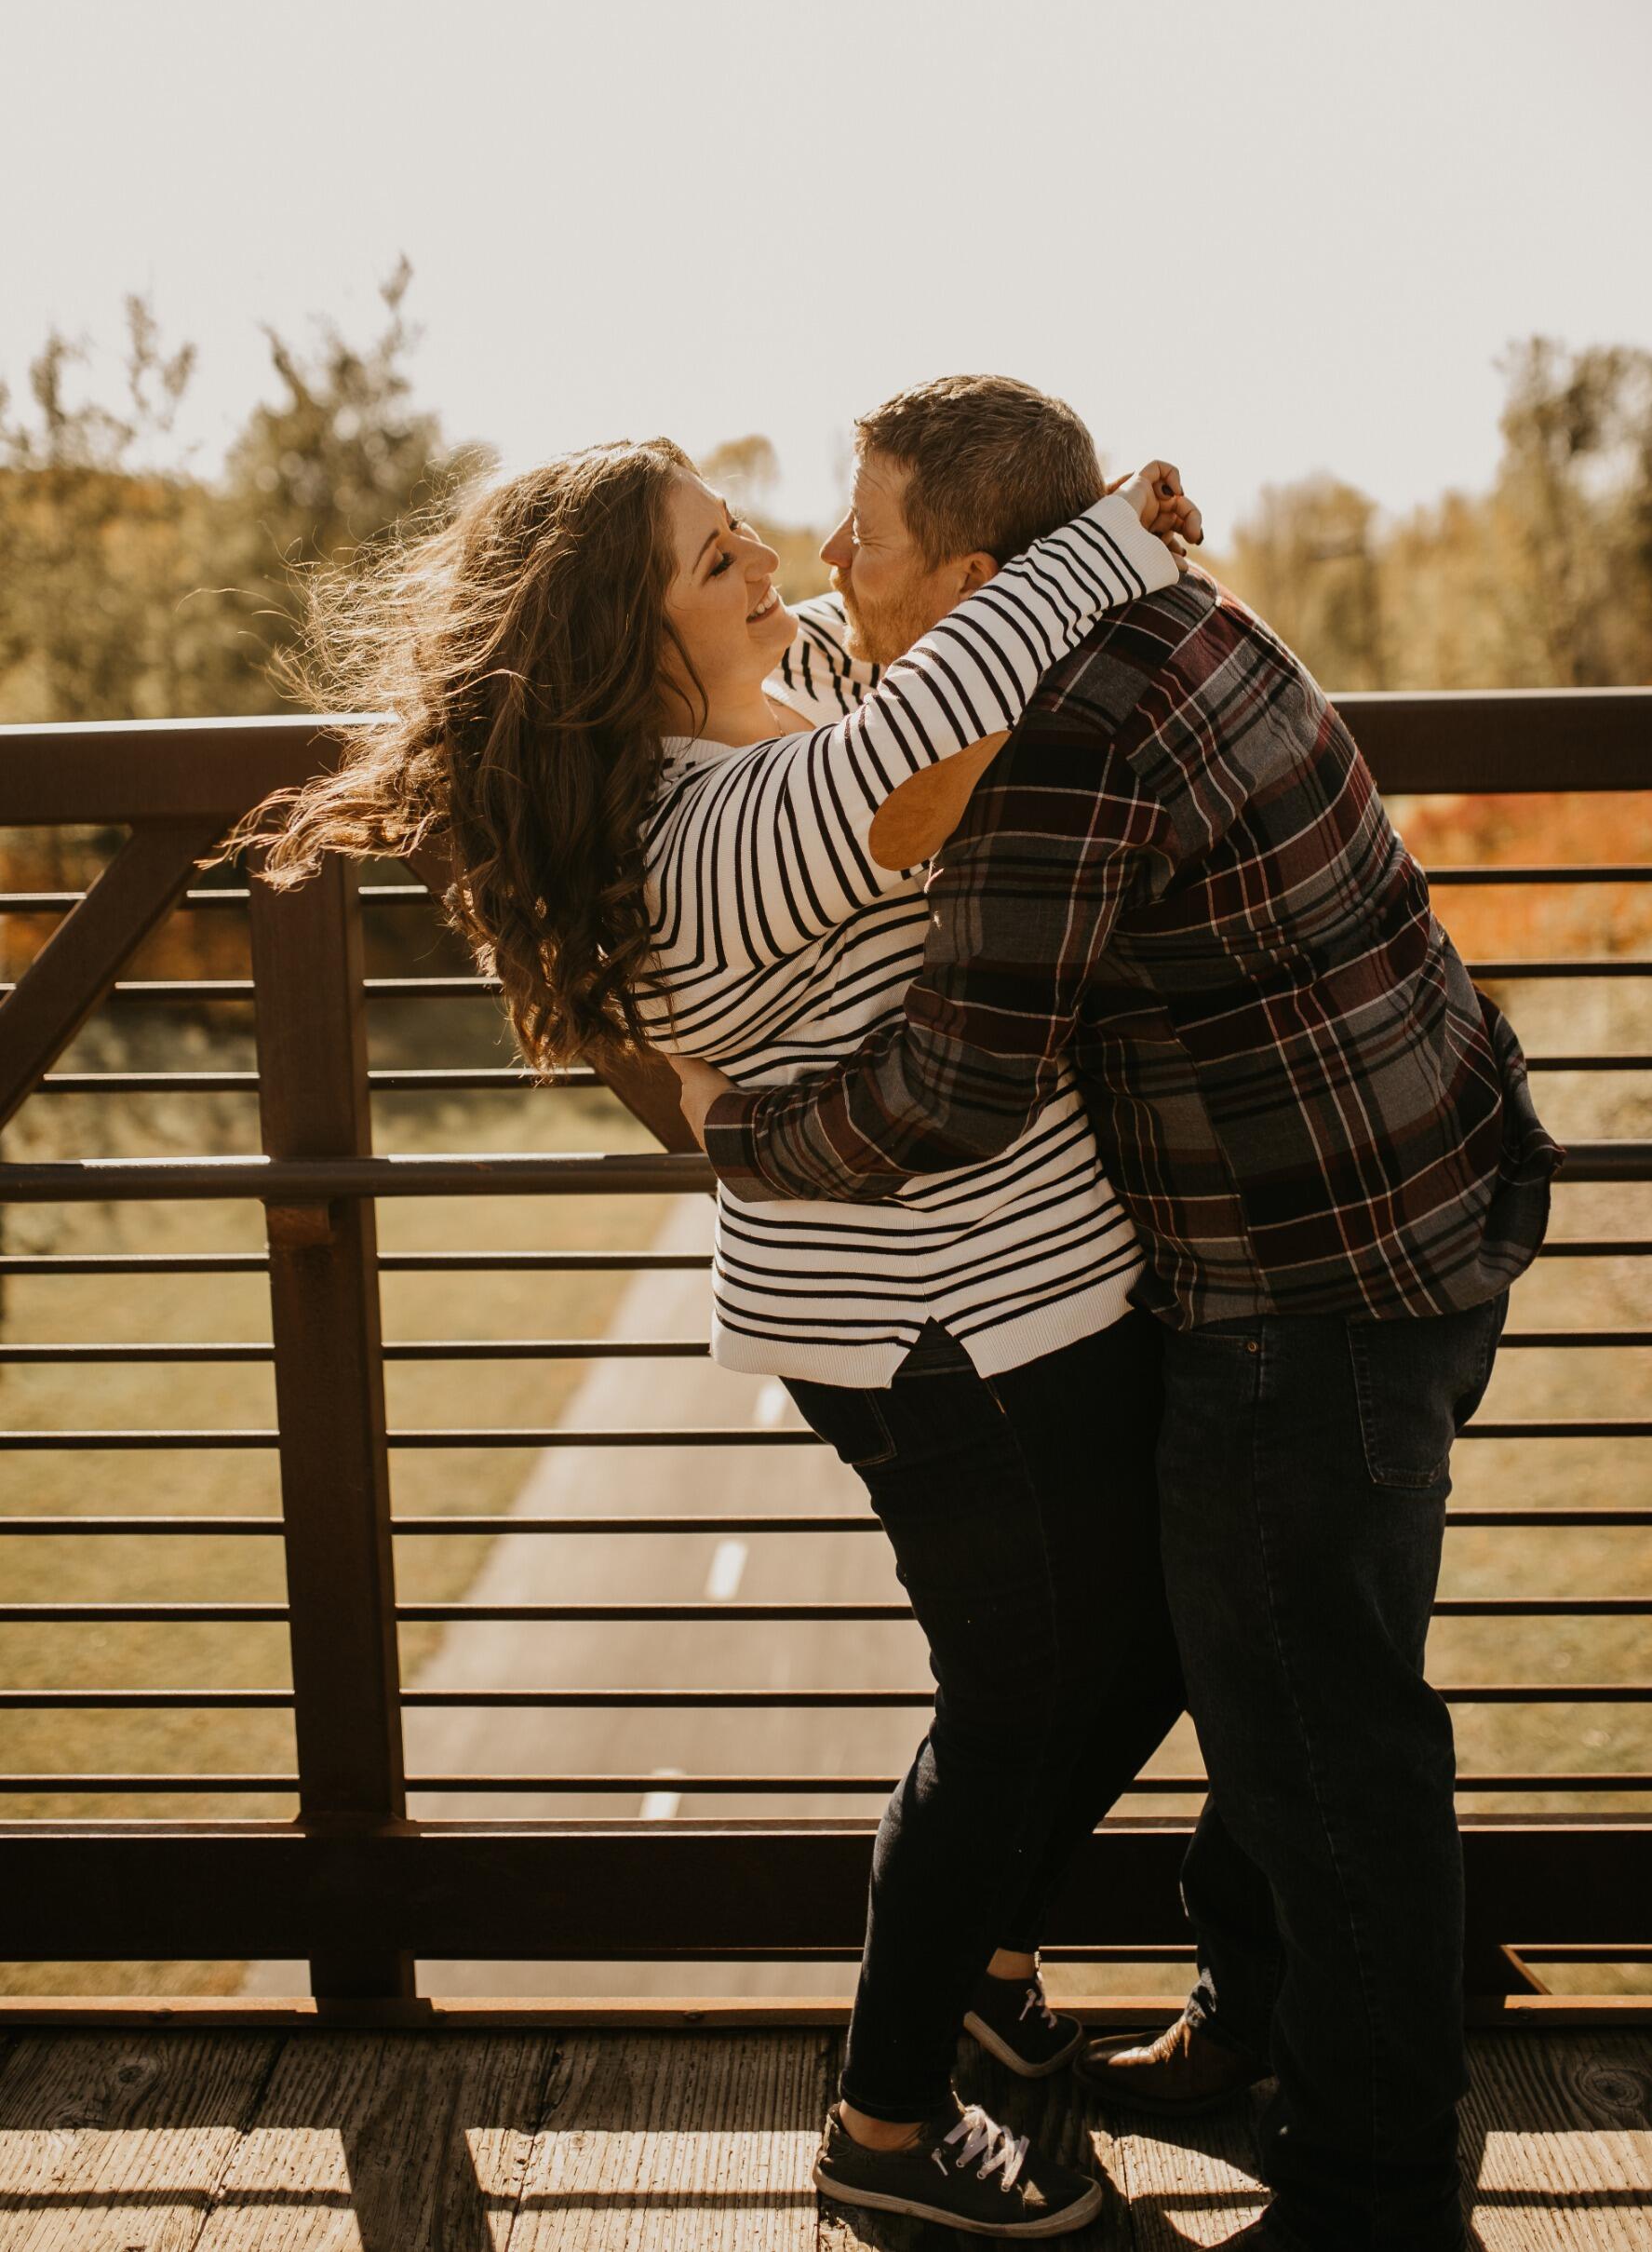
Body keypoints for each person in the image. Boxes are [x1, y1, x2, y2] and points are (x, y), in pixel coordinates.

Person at [236, 404, 1202, 2240]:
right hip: (938, 1328)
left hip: (1008, 1290)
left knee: (1153, 1637)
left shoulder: (774, 697)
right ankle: (887, 2126)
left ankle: (985, 1962)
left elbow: (906, 657)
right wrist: (1115, 533)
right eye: (715, 558)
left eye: (743, 531)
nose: (769, 560)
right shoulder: (709, 835)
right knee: (1015, 1700)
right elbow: (925, 721)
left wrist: (1026, 555)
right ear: (636, 644)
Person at [677, 376, 1562, 2252]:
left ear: (976, 580)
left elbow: (949, 1088)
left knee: (1320, 1732)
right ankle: (1256, 2021)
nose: (827, 562)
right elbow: (860, 675)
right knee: (1278, 1679)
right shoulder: (1159, 607)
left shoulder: (1064, 742)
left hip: (1311, 1278)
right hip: (1433, 1182)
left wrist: (734, 1131)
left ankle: (1376, 2191)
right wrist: (1103, 528)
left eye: (864, 535)